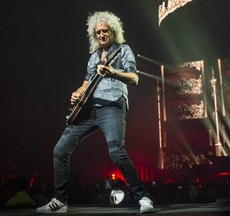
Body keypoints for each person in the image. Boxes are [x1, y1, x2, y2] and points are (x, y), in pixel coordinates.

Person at [36, 11, 154, 214]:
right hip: (89, 110)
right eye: (97, 32)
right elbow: (86, 83)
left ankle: (143, 197)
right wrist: (77, 93)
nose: (101, 35)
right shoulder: (93, 58)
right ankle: (60, 200)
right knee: (60, 150)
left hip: (112, 105)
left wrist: (113, 72)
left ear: (113, 31)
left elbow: (134, 78)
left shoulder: (123, 50)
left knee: (116, 151)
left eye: (105, 31)